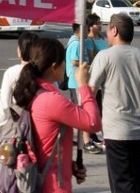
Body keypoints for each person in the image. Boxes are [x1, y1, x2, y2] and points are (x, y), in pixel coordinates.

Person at [89, 14, 140, 193]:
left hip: (117, 131)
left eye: (108, 29)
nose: (106, 34)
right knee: (137, 179)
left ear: (115, 30)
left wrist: (86, 121)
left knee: (122, 183)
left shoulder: (104, 56)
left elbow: (91, 91)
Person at [12, 37, 100, 193]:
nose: (65, 67)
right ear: (54, 67)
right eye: (63, 62)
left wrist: (67, 165)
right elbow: (93, 123)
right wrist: (84, 86)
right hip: (52, 185)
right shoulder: (51, 100)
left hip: (43, 177)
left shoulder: (35, 93)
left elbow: (43, 144)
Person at [0, 31, 39, 147]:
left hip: (15, 126)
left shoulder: (11, 73)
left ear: (20, 50)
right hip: (37, 126)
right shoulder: (41, 72)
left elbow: (5, 105)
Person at [66, 18, 100, 153]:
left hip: (78, 82)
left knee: (80, 111)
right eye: (87, 27)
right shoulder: (76, 43)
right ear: (81, 29)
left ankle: (82, 138)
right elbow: (75, 61)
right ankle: (86, 141)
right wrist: (89, 66)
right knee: (83, 112)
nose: (89, 30)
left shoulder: (80, 42)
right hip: (76, 82)